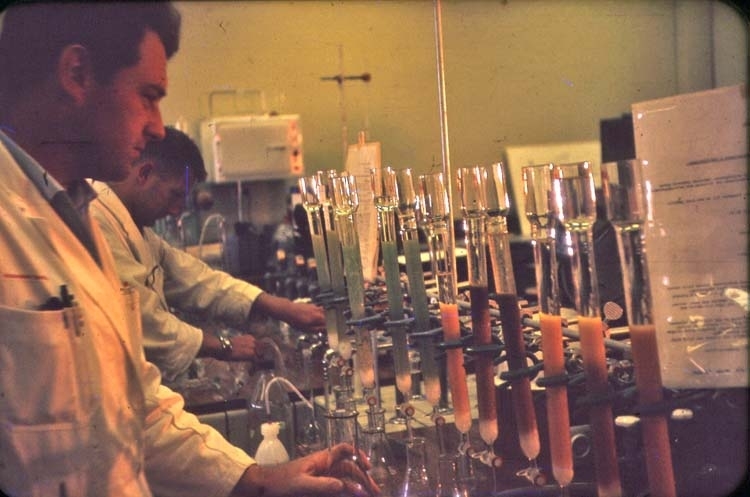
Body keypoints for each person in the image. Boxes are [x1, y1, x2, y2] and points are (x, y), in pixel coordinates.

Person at [0, 2, 376, 497]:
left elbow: (133, 409)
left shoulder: (76, 211)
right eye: (148, 96)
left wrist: (259, 478)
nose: (158, 127)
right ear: (76, 74)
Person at [91, 126, 325, 383]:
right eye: (175, 194)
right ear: (145, 173)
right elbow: (143, 322)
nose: (177, 209)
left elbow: (195, 278)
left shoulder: (135, 226)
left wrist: (281, 307)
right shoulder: (96, 221)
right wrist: (223, 346)